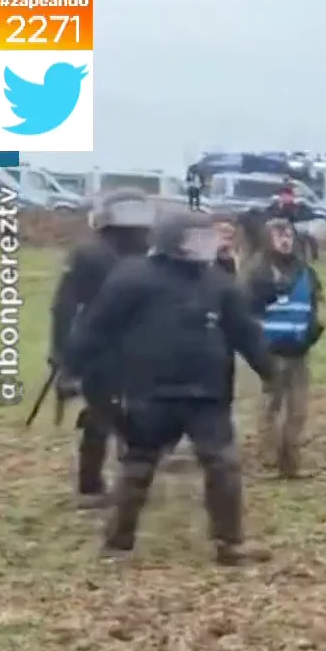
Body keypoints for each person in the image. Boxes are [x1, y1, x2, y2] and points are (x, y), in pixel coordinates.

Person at [65, 209, 274, 564]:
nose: (207, 244)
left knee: (222, 464)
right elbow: (94, 328)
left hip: (207, 394)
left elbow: (244, 331)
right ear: (170, 242)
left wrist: (268, 369)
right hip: (149, 392)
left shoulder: (218, 282)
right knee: (138, 466)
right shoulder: (132, 278)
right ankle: (118, 543)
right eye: (197, 237)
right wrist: (73, 370)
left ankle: (230, 544)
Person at [52, 191, 158, 506]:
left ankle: (129, 479)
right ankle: (92, 484)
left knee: (135, 415)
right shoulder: (88, 256)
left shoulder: (151, 255)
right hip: (102, 348)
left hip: (141, 347)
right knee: (102, 415)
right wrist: (63, 355)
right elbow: (65, 307)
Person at [244, 216, 326, 477]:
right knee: (271, 408)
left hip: (299, 350)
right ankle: (268, 462)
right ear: (268, 240)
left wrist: (315, 330)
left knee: (298, 410)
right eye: (279, 235)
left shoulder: (306, 272)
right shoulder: (257, 273)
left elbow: (318, 305)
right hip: (272, 352)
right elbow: (246, 314)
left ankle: (291, 463)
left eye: (288, 235)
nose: (285, 240)